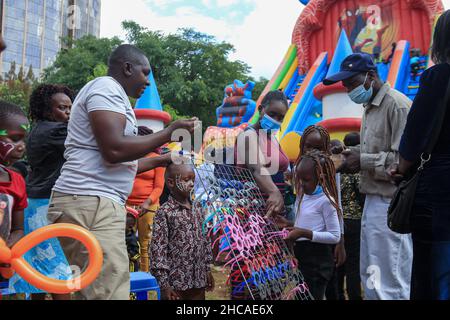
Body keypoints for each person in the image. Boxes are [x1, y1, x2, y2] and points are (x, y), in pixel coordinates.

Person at [47, 44, 198, 300]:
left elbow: (123, 164)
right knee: (108, 290)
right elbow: (114, 150)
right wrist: (168, 132)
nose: (147, 82)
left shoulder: (114, 96)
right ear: (127, 68)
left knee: (94, 289)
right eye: (144, 73)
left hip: (92, 202)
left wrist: (163, 160)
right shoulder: (106, 88)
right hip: (91, 204)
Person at [324, 52, 412, 300]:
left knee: (390, 279)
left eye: (352, 83)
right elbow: (376, 151)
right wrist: (349, 153)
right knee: (372, 275)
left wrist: (361, 160)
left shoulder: (397, 105)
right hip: (372, 202)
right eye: (345, 85)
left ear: (371, 76)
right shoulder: (370, 107)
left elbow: (404, 162)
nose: (349, 90)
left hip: (391, 204)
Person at [390, 10, 450, 300]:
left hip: (440, 192)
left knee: (434, 270)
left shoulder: (438, 77)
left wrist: (402, 167)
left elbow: (413, 139)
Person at [8, 84, 75, 300]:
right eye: (62, 108)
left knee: (38, 272)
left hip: (34, 204)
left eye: (70, 108)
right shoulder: (55, 130)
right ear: (47, 111)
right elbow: (89, 131)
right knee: (59, 274)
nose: (68, 113)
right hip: (46, 206)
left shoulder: (38, 129)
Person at [280, 150, 341, 300]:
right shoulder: (303, 195)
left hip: (317, 262)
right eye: (298, 179)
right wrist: (289, 224)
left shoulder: (326, 201)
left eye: (306, 180)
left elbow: (335, 236)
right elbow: (308, 224)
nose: (301, 184)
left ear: (320, 178)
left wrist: (303, 233)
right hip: (303, 259)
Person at [150, 161, 214, 300]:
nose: (191, 183)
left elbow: (205, 239)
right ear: (171, 183)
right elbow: (158, 249)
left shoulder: (198, 208)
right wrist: (164, 284)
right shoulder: (165, 212)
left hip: (198, 281)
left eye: (193, 179)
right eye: (186, 180)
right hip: (175, 285)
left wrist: (207, 269)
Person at [295, 125, 346, 271]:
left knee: (328, 279)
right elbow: (299, 203)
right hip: (306, 242)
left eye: (318, 148)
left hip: (326, 239)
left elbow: (338, 204)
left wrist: (340, 242)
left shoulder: (329, 169)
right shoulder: (299, 168)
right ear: (302, 145)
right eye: (308, 146)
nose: (311, 151)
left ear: (326, 149)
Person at [235, 90, 288, 218]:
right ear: (261, 109)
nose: (275, 120)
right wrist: (274, 191)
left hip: (275, 209)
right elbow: (256, 169)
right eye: (272, 114)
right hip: (255, 211)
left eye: (280, 117)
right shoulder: (249, 135)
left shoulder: (273, 138)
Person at [126, 126, 166, 272]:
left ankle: (145, 278)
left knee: (146, 244)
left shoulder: (157, 159)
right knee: (125, 242)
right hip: (127, 206)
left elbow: (159, 187)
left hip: (149, 206)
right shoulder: (128, 156)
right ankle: (129, 277)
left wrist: (147, 202)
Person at [336, 133, 364, 300]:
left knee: (338, 261)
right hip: (354, 220)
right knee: (353, 263)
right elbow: (361, 196)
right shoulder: (355, 167)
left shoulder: (336, 165)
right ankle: (354, 295)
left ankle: (338, 294)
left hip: (337, 221)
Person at [0, 101, 28, 264]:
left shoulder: (16, 181)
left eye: (23, 140)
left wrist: (6, 249)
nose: (21, 146)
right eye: (15, 139)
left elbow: (18, 230)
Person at [125, 207, 140, 273]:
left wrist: (130, 255)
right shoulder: (125, 235)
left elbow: (137, 253)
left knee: (131, 277)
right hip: (125, 262)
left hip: (131, 264)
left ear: (130, 227)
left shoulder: (132, 239)